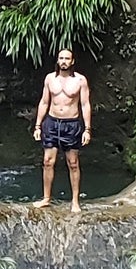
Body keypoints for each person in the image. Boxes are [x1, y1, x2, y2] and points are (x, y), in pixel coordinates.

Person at [33, 48, 91, 208]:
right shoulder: (50, 79)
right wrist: (38, 125)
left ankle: (75, 201)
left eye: (67, 58)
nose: (64, 61)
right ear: (57, 61)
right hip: (51, 123)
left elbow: (85, 105)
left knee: (73, 163)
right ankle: (46, 198)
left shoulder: (80, 80)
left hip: (71, 124)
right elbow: (44, 102)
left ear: (72, 61)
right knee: (47, 161)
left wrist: (87, 129)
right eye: (61, 58)